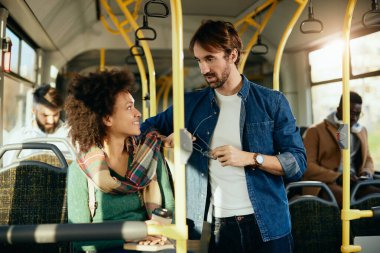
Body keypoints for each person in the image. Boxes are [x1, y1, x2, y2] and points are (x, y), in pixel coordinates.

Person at [141, 20, 306, 253]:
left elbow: (297, 163)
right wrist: (165, 139)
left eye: (210, 58)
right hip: (214, 227)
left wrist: (251, 158)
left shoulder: (272, 102)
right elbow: (142, 129)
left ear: (232, 55)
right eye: (199, 60)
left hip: (267, 223)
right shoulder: (188, 105)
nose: (203, 69)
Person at [65, 69, 174, 253]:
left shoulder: (149, 154)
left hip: (151, 244)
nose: (138, 113)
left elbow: (170, 209)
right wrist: (134, 235)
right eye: (129, 107)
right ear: (107, 118)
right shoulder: (81, 169)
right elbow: (79, 240)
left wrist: (158, 234)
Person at [302, 91, 376, 207]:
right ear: (339, 110)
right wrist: (337, 177)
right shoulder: (315, 131)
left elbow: (368, 159)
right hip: (326, 183)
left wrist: (366, 172)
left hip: (354, 181)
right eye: (350, 113)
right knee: (347, 201)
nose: (354, 118)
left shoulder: (361, 131)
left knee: (376, 195)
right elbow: (307, 165)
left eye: (357, 114)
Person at [3, 84, 69, 165]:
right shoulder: (18, 137)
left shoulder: (68, 135)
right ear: (34, 111)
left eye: (55, 115)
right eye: (45, 115)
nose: (51, 121)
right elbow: (8, 173)